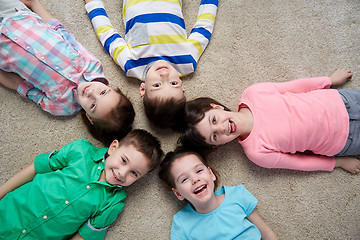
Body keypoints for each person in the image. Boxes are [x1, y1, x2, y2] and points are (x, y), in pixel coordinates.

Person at [0, 0, 135, 146]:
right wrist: (35, 5)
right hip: (18, 17)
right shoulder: (93, 66)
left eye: (93, 105)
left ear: (90, 118)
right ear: (113, 89)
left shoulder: (63, 107)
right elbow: (62, 33)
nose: (91, 93)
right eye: (103, 93)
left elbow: (21, 86)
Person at [179, 68, 360, 174]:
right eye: (215, 136)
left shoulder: (253, 93)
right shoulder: (257, 153)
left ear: (216, 107)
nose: (222, 128)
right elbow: (300, 163)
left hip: (341, 101)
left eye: (214, 120)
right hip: (344, 140)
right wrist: (338, 163)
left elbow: (297, 86)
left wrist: (329, 80)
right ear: (217, 145)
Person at [0, 129, 163, 240]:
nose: (122, 173)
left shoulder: (113, 203)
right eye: (123, 161)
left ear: (140, 178)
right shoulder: (80, 150)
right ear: (114, 147)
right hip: (7, 212)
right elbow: (36, 168)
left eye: (134, 173)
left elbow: (84, 236)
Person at [83, 0, 219, 130]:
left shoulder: (132, 65)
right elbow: (204, 27)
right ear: (181, 85)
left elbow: (107, 36)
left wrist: (93, 4)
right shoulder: (187, 61)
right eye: (173, 83)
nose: (164, 75)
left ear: (143, 89)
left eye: (157, 85)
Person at [158, 148, 278, 239]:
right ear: (178, 193)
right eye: (184, 179)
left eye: (199, 170)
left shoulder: (237, 195)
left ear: (211, 174)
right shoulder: (182, 222)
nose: (195, 179)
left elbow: (266, 233)